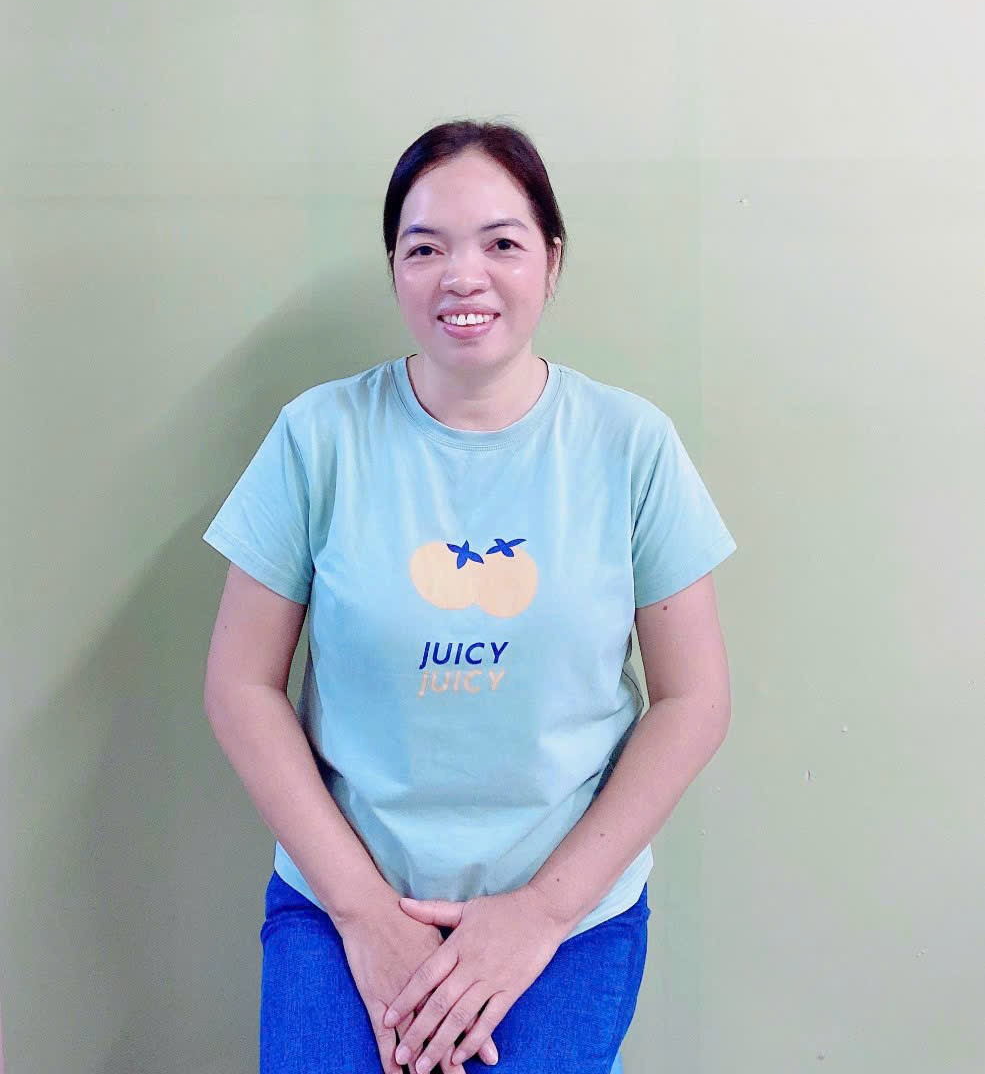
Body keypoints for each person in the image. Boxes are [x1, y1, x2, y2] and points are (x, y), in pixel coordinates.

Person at [202, 120, 737, 1074]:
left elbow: (693, 699)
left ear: (551, 261)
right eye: (425, 248)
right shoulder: (317, 437)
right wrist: (364, 914)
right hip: (341, 900)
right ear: (394, 269)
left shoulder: (630, 445)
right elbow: (240, 686)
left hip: (568, 912)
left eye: (501, 243)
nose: (463, 276)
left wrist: (540, 914)